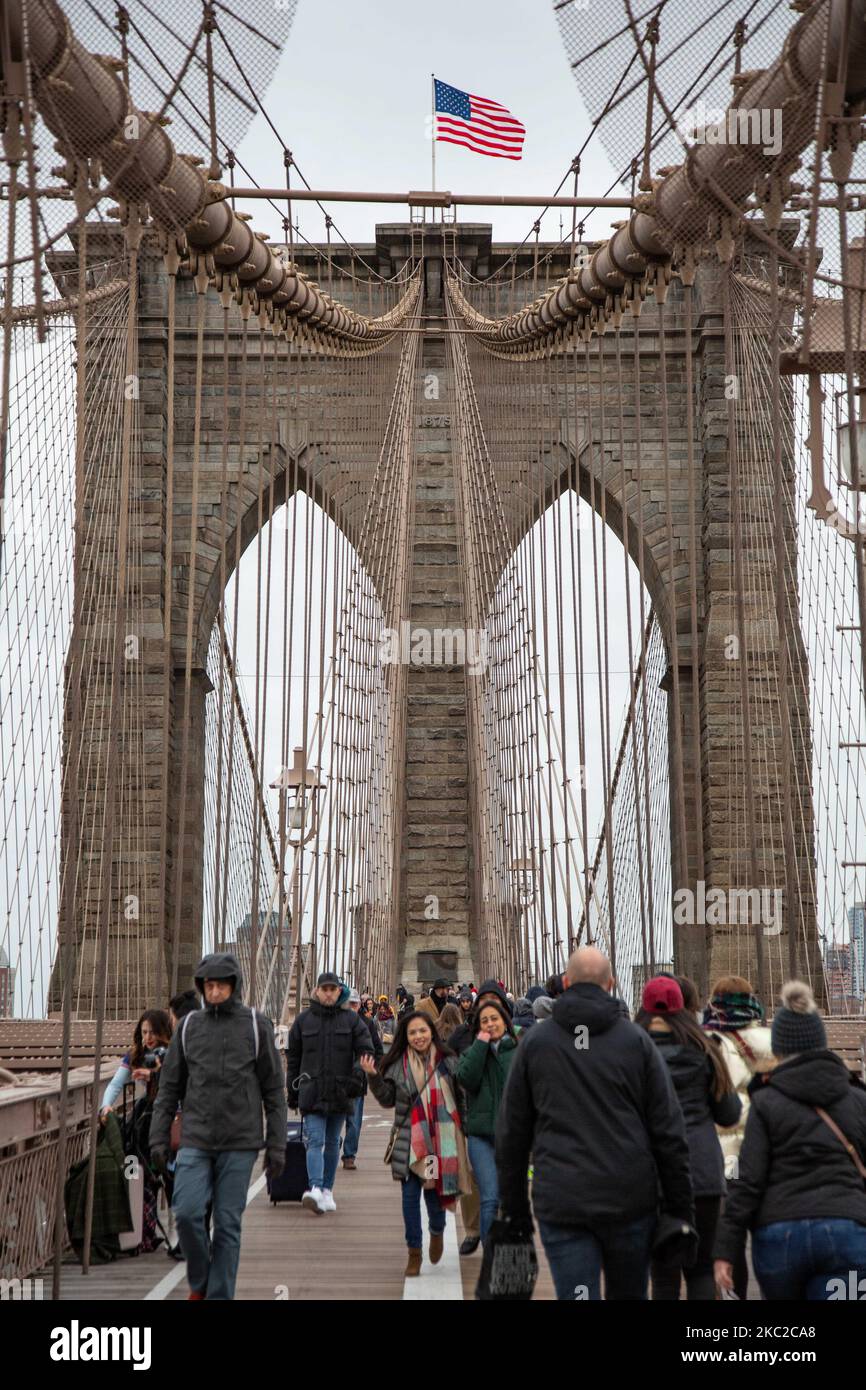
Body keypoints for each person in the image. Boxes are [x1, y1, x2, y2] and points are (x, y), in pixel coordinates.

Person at [496, 946, 694, 1301]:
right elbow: (669, 1133)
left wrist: (515, 1211)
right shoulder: (637, 1043)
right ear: (612, 984)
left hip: (562, 1201)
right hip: (630, 1202)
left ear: (566, 983)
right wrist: (679, 1210)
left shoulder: (536, 1043)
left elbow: (512, 1134)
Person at [715, 980, 866, 1300]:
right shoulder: (857, 1100)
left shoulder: (766, 1103)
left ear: (779, 1048)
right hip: (846, 1230)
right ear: (820, 1043)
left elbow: (749, 1180)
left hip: (779, 1236)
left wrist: (726, 1249)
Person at [150, 953, 286, 1300]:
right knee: (187, 1212)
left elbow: (273, 1091)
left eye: (220, 985)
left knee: (227, 1225)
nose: (214, 991)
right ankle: (200, 1280)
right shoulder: (189, 1028)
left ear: (234, 986)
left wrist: (277, 1146)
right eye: (208, 985)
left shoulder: (256, 1026)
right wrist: (158, 1137)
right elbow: (168, 1089)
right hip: (196, 1137)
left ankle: (219, 1295)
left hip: (240, 1142)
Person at [635, 975, 740, 1299]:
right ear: (684, 1007)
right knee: (702, 1270)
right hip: (703, 1173)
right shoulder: (706, 1049)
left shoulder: (631, 1052)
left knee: (663, 1275)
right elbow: (729, 1114)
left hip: (651, 1174)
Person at [362, 1009, 471, 1276]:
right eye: (412, 1032)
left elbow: (461, 1098)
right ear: (405, 1037)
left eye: (423, 1030)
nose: (418, 1036)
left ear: (431, 1032)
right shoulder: (398, 1064)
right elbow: (388, 1100)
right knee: (409, 1197)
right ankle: (414, 1252)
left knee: (433, 1195)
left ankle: (436, 1231)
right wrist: (373, 1077)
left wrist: (467, 1132)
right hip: (409, 1140)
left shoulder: (448, 1062)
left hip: (437, 1142)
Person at [702, 973, 775, 1298]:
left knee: (725, 1238)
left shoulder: (705, 1045)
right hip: (766, 1156)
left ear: (715, 1004)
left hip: (721, 1159)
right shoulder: (774, 1042)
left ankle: (733, 1297)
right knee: (765, 1232)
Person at [286, 971, 374, 1213]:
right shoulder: (303, 1021)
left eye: (331, 989)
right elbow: (293, 1057)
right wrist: (291, 1090)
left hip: (341, 1090)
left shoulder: (352, 1020)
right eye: (323, 989)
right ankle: (315, 1188)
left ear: (338, 991)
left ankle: (327, 1190)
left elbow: (366, 1050)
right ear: (316, 991)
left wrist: (357, 1077)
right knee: (314, 1139)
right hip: (312, 1089)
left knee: (333, 1141)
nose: (327, 993)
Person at [101, 1008, 173, 1254]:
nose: (148, 1037)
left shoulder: (172, 1054)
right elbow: (115, 1083)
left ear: (164, 1031)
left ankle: (164, 1232)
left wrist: (154, 1075)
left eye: (153, 1031)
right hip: (141, 1126)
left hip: (167, 1124)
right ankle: (141, 1232)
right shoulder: (134, 1055)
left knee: (164, 1177)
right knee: (135, 1171)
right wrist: (106, 1107)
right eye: (143, 1032)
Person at [456, 998, 519, 1244]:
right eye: (484, 1021)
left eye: (495, 1018)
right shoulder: (472, 1052)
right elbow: (467, 1080)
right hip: (480, 1136)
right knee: (490, 1197)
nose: (490, 1024)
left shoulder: (519, 1050)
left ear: (505, 1021)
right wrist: (480, 1046)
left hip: (511, 1137)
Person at [342, 987, 383, 1170]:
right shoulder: (334, 1022)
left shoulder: (367, 1023)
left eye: (354, 1004)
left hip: (357, 1079)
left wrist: (373, 1071)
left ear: (359, 1005)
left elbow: (377, 1049)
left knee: (354, 1120)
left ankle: (349, 1155)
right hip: (336, 1079)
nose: (351, 1007)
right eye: (348, 1004)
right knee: (335, 1119)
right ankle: (335, 1146)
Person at [448, 978, 513, 1057]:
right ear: (477, 1003)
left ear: (503, 1004)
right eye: (483, 998)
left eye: (494, 997)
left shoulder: (514, 1035)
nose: (488, 1002)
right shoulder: (462, 1032)